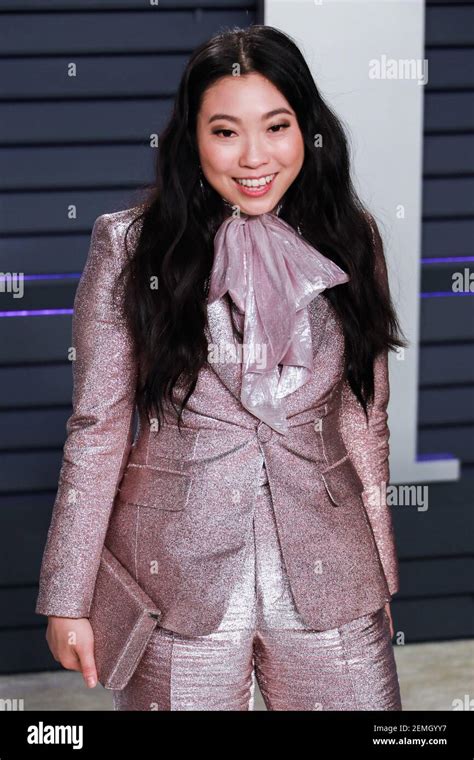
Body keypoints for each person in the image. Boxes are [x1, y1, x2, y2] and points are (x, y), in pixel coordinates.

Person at [36, 25, 408, 711]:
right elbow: (98, 427)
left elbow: (365, 419)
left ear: (308, 130)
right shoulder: (130, 246)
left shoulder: (352, 239)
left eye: (277, 126)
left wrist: (381, 576)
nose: (255, 156)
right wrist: (68, 596)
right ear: (192, 139)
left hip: (332, 572)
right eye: (226, 131)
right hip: (175, 580)